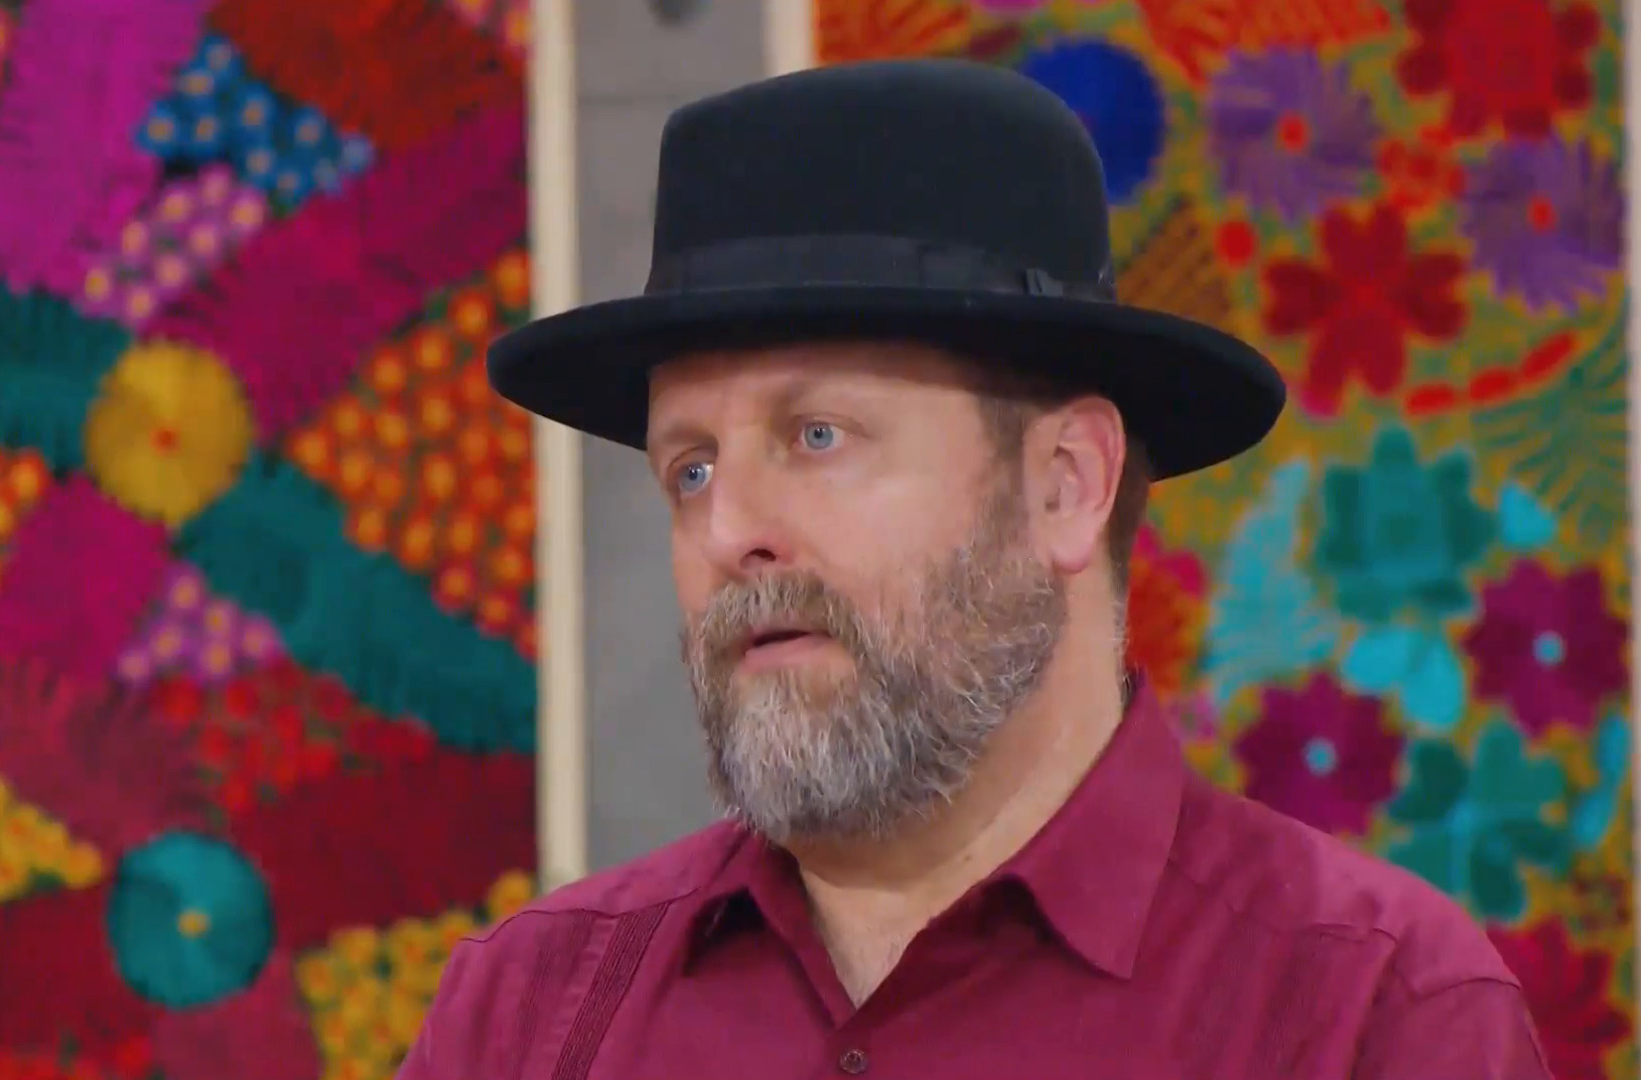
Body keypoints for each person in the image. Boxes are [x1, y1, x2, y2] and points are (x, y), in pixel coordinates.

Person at [398, 59, 1550, 1079]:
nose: (729, 529)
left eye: (818, 436)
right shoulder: (527, 1018)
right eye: (690, 469)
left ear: (1064, 485)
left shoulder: (1371, 1017)